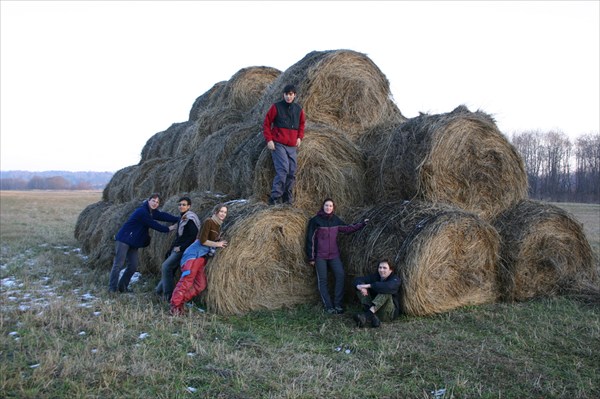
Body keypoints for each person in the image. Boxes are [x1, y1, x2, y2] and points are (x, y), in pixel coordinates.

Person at [305, 198, 368, 314]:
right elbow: (310, 239)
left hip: (334, 255)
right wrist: (311, 257)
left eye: (330, 206)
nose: (328, 208)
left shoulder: (335, 220)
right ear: (322, 207)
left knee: (340, 275)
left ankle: (338, 304)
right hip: (320, 256)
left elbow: (348, 228)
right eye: (326, 205)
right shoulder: (315, 221)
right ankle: (328, 306)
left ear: (333, 208)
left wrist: (362, 224)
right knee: (322, 280)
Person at [108, 193, 179, 293]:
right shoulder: (142, 211)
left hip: (133, 242)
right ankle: (112, 289)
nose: (155, 203)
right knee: (118, 265)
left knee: (133, 266)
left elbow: (162, 216)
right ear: (148, 200)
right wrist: (168, 229)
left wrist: (178, 218)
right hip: (124, 239)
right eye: (153, 201)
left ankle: (122, 287)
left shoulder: (151, 212)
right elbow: (153, 224)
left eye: (157, 202)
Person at [170, 204, 228, 315]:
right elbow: (202, 240)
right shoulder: (209, 222)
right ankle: (174, 306)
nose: (223, 214)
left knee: (200, 285)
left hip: (201, 258)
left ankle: (180, 301)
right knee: (187, 281)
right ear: (216, 211)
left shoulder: (218, 225)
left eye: (225, 212)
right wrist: (217, 243)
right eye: (221, 211)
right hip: (193, 255)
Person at [263, 84, 306, 205]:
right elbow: (266, 123)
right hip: (278, 144)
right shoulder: (276, 107)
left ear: (294, 95)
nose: (288, 97)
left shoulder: (298, 109)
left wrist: (299, 137)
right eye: (286, 94)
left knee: (292, 171)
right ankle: (275, 197)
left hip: (292, 145)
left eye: (291, 94)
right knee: (283, 170)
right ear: (283, 95)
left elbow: (302, 124)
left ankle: (287, 198)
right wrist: (269, 140)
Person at [155, 196, 201, 301]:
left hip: (184, 249)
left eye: (184, 205)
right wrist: (170, 249)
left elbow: (193, 237)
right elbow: (179, 237)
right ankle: (159, 290)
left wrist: (180, 248)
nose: (181, 206)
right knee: (170, 269)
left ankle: (168, 296)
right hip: (177, 248)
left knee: (166, 267)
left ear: (189, 206)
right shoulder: (182, 218)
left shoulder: (190, 219)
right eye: (180, 204)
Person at [352, 260, 401, 328]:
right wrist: (360, 286)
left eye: (384, 268)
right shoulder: (376, 276)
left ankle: (367, 316)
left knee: (385, 291)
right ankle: (373, 318)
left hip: (388, 314)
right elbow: (357, 279)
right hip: (375, 310)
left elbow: (388, 287)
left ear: (391, 270)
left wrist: (369, 285)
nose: (381, 270)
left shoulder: (395, 279)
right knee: (360, 288)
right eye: (380, 267)